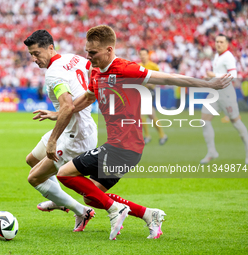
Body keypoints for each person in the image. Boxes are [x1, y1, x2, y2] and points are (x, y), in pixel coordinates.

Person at [38, 25, 232, 241]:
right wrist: (59, 113)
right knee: (92, 197)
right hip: (124, 147)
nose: (88, 57)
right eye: (87, 51)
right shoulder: (95, 71)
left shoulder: (125, 69)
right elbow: (88, 97)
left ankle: (116, 210)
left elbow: (168, 78)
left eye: (93, 53)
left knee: (64, 173)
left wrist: (208, 84)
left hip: (123, 146)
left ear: (109, 50)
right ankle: (150, 215)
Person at [23, 30, 98, 232]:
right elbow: (92, 80)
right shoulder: (73, 59)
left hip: (75, 135)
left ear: (50, 47)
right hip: (76, 126)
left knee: (34, 178)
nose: (34, 59)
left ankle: (81, 211)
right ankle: (58, 198)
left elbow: (67, 106)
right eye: (31, 54)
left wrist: (53, 140)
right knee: (32, 159)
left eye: (37, 53)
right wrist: (59, 112)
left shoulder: (53, 74)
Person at [200, 34, 248, 164]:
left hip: (226, 94)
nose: (218, 44)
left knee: (236, 123)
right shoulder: (217, 55)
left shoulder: (228, 57)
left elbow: (233, 75)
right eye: (217, 42)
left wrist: (214, 75)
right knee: (204, 121)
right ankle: (212, 152)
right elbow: (219, 76)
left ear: (227, 44)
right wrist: (210, 78)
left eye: (221, 42)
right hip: (215, 93)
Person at [138, 48, 168, 145]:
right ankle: (162, 135)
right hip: (141, 92)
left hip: (150, 91)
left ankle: (147, 136)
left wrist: (153, 83)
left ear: (148, 55)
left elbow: (163, 77)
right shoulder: (138, 66)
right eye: (141, 54)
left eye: (144, 54)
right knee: (150, 115)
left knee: (141, 113)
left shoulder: (153, 66)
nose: (143, 56)